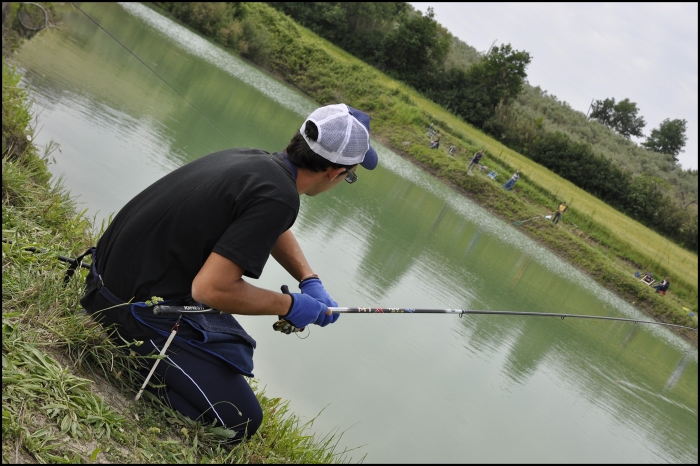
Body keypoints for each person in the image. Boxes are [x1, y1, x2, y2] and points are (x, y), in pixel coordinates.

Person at [78, 103, 378, 442]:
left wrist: (309, 280)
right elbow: (211, 290)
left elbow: (271, 223)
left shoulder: (257, 161)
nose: (344, 180)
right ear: (335, 172)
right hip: (124, 309)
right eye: (350, 175)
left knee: (228, 343)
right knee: (241, 421)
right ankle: (130, 365)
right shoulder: (279, 197)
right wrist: (289, 306)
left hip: (101, 279)